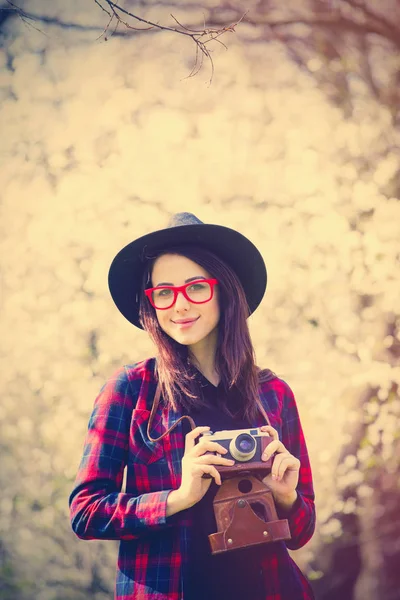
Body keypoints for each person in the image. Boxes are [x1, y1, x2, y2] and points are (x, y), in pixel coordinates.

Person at [69, 212, 316, 600]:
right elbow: (86, 512)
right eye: (163, 292)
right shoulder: (130, 391)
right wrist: (177, 498)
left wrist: (286, 496)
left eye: (195, 286)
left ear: (224, 290)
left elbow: (302, 532)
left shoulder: (274, 394)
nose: (179, 305)